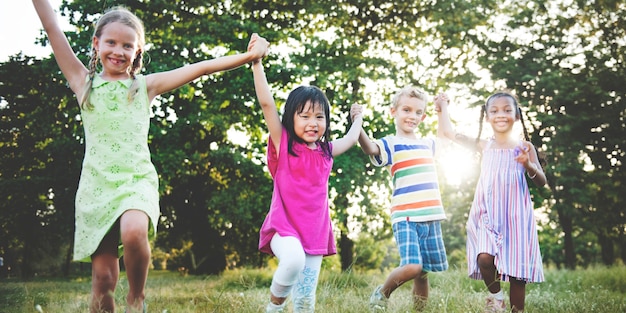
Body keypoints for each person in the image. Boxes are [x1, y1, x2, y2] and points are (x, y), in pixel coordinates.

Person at [32, 1, 269, 312]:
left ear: (137, 50)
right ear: (96, 44)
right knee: (102, 285)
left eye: (127, 45)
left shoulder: (144, 87)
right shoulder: (83, 83)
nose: (118, 51)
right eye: (111, 42)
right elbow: (52, 29)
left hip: (135, 180)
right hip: (96, 187)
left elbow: (199, 68)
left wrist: (249, 56)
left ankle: (137, 298)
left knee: (133, 230)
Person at [251, 55, 363, 312]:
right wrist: (256, 63)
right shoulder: (284, 144)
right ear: (291, 118)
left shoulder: (326, 152)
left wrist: (357, 118)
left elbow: (351, 138)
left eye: (319, 117)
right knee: (292, 260)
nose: (313, 123)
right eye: (304, 116)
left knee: (305, 299)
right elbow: (267, 104)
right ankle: (274, 307)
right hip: (284, 227)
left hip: (315, 232)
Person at [436, 91, 546, 313]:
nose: (501, 115)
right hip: (487, 215)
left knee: (517, 275)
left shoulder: (525, 147)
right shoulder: (483, 145)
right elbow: (449, 132)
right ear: (486, 117)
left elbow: (542, 181)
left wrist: (528, 165)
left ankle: (517, 311)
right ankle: (497, 299)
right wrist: (443, 106)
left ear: (516, 116)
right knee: (484, 258)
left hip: (516, 217)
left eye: (507, 110)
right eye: (494, 111)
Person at [354, 86, 448, 312]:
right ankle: (382, 293)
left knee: (422, 273)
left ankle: (419, 310)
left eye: (417, 112)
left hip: (431, 215)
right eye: (406, 110)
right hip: (406, 215)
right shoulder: (391, 143)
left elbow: (445, 137)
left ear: (423, 116)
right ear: (393, 112)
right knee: (413, 267)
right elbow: (369, 148)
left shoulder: (428, 144)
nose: (412, 116)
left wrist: (442, 109)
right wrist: (357, 123)